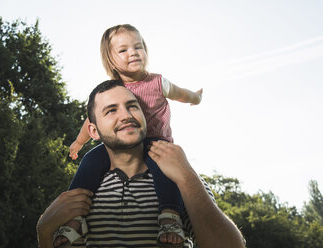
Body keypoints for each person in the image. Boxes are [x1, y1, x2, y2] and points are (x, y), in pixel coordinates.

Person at [37, 81, 245, 248]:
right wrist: (44, 232)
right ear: (93, 131)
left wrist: (187, 178)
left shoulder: (182, 179)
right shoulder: (84, 190)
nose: (126, 116)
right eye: (111, 111)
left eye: (132, 106)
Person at [57, 24, 203, 247]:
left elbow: (182, 94)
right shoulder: (113, 89)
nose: (133, 52)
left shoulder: (157, 82)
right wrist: (79, 142)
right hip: (120, 145)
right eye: (123, 50)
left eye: (138, 46)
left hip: (155, 142)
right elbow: (91, 121)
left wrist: (196, 98)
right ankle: (75, 218)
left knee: (166, 171)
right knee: (90, 161)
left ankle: (170, 215)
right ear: (110, 59)